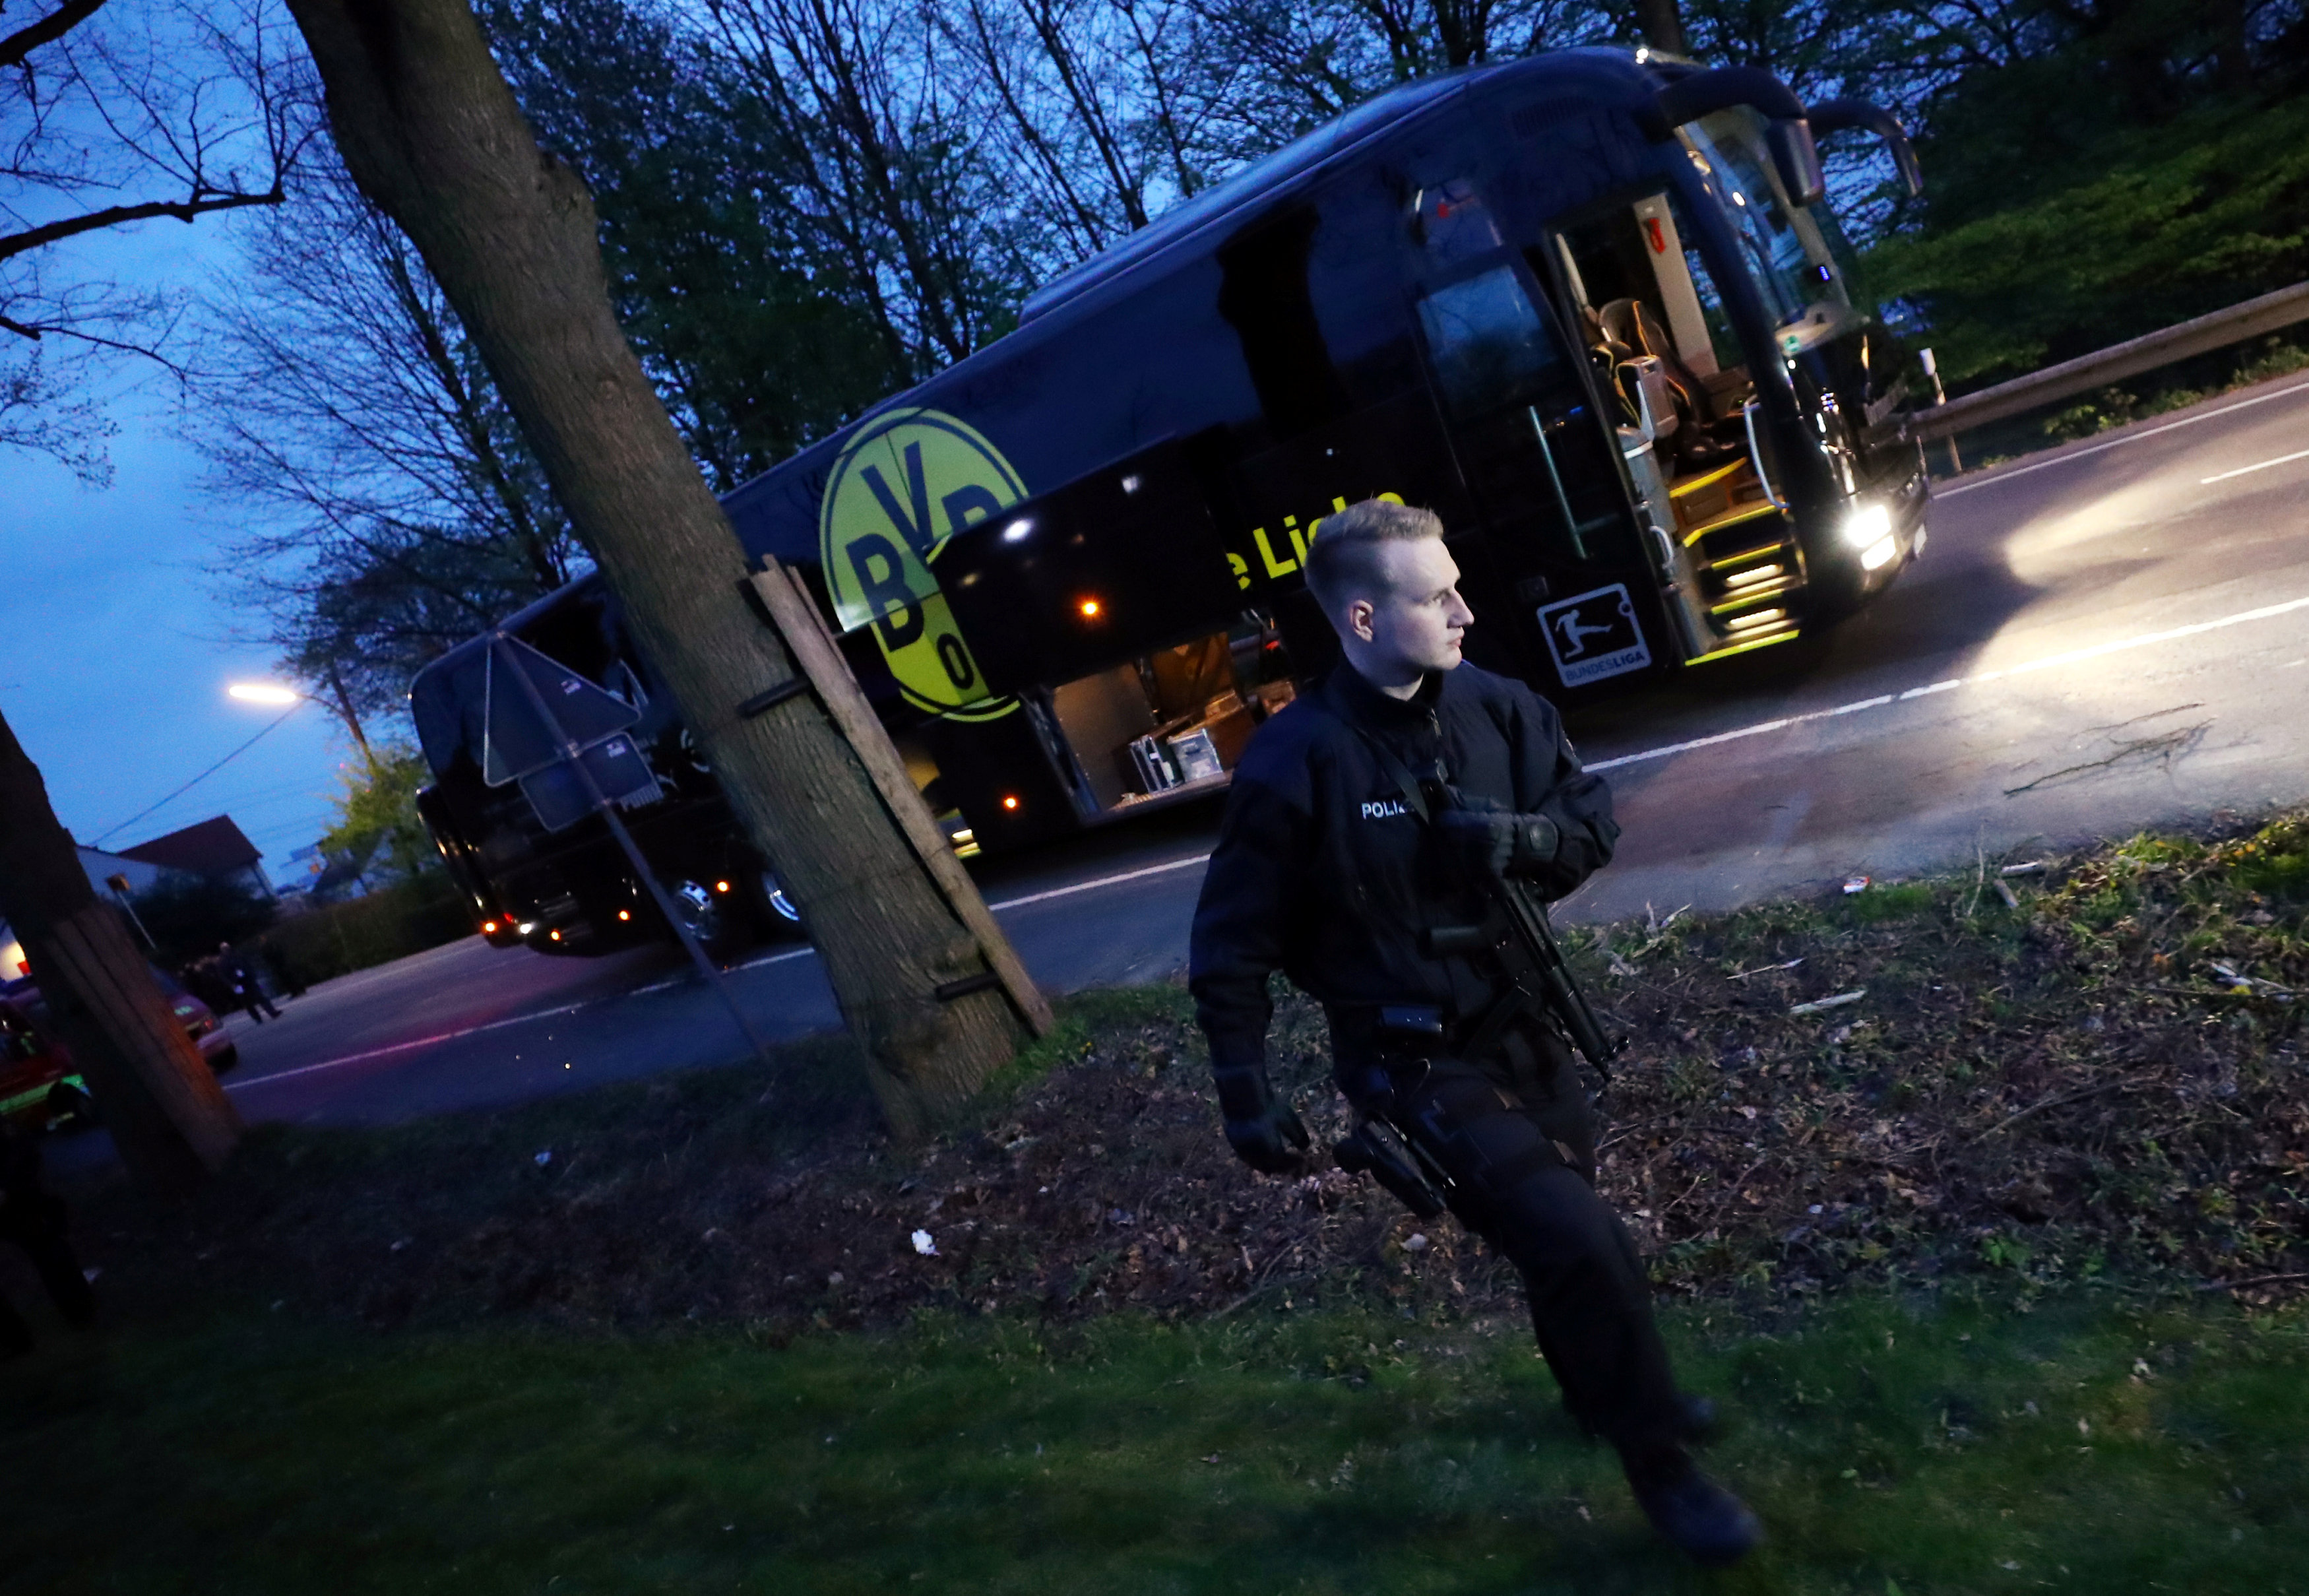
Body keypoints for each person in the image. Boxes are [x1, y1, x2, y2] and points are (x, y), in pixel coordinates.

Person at [1188, 499, 1760, 1566]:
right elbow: (1230, 941)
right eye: (1433, 592)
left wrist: (1519, 836)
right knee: (1585, 1239)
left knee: (1564, 1245)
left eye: (1455, 581)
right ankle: (1662, 1463)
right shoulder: (1295, 761)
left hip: (1524, 1025)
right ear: (1361, 617)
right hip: (1410, 1058)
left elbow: (1591, 821)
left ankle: (1595, 1394)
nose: (1465, 606)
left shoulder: (1498, 709)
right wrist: (1244, 1084)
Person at [0, 1116, 96, 1358]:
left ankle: (80, 1310)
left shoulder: (10, 1137)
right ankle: (16, 1337)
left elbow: (23, 1153)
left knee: (52, 1256)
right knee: (48, 1257)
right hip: (17, 1204)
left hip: (24, 1203)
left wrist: (9, 1189)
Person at [216, 941, 280, 1023]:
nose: (227, 949)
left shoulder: (236, 955)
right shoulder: (222, 962)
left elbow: (247, 965)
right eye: (225, 948)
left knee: (260, 996)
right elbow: (223, 976)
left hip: (247, 980)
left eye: (227, 947)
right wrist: (232, 984)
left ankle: (272, 1012)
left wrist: (251, 974)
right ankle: (257, 1018)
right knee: (247, 1002)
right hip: (237, 984)